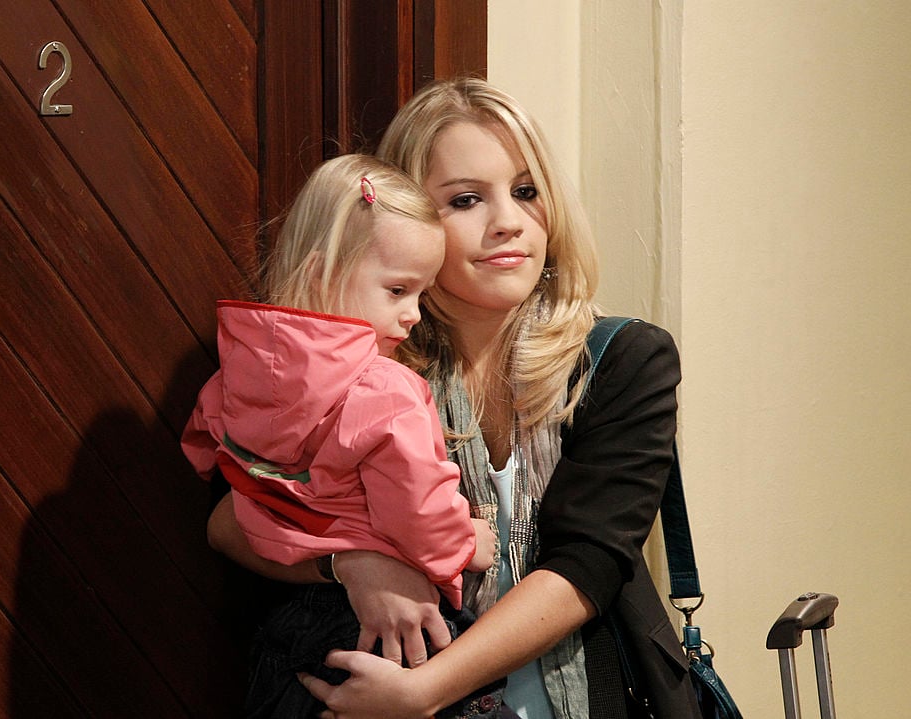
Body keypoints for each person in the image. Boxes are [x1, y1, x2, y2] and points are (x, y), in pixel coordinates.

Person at [209, 78, 702, 718]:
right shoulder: (357, 367)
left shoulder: (623, 358)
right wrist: (352, 563)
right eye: (466, 199)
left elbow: (589, 564)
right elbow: (232, 523)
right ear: (406, 219)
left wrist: (423, 691)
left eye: (526, 191)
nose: (508, 222)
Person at [181, 153, 500, 719]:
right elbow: (417, 506)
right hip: (384, 632)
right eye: (398, 290)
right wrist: (463, 544)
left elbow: (204, 445)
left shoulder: (236, 369)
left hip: (285, 625)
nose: (414, 315)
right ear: (320, 275)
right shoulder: (387, 388)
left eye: (420, 295)